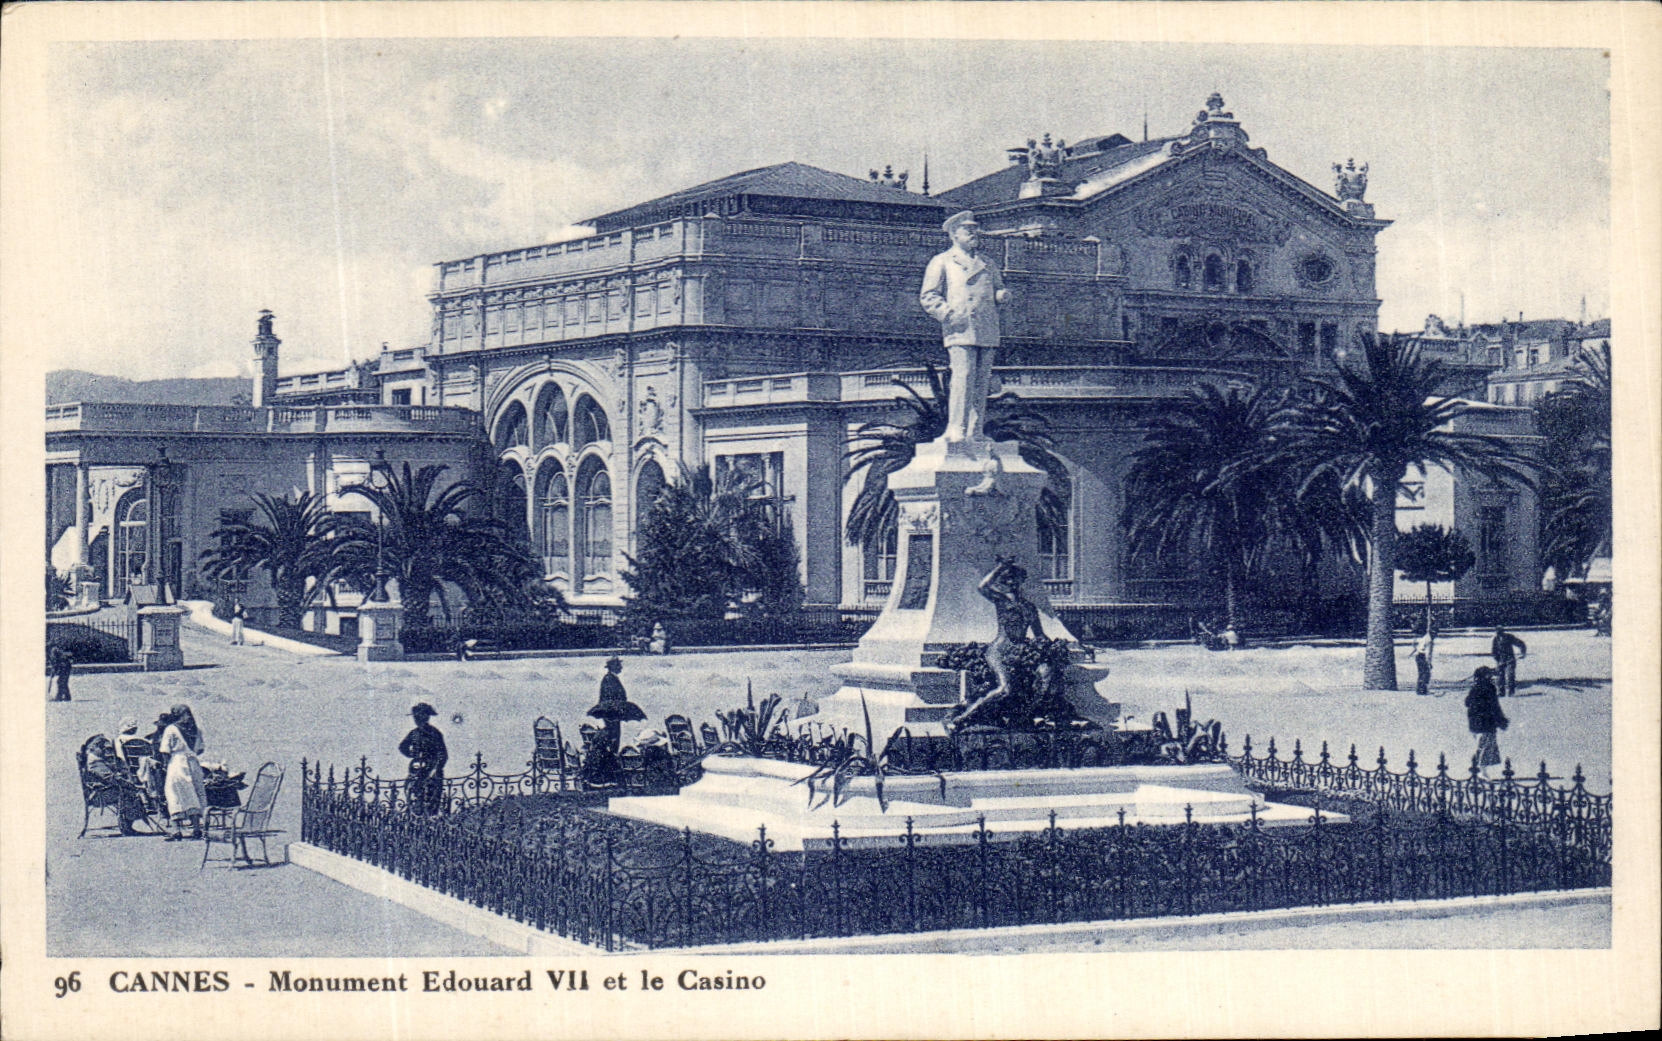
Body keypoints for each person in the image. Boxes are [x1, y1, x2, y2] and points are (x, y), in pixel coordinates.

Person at [919, 210, 1009, 443]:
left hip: (987, 327)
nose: (973, 234)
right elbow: (929, 296)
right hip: (960, 327)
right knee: (963, 376)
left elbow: (998, 286)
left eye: (974, 229)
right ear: (954, 234)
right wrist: (948, 314)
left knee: (982, 380)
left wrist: (1001, 294)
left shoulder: (987, 263)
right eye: (967, 230)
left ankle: (975, 430)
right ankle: (955, 428)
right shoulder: (942, 261)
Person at [79, 735, 153, 836]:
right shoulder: (94, 761)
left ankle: (129, 824)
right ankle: (127, 827)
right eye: (102, 748)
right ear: (95, 748)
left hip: (101, 791)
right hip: (98, 795)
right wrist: (128, 784)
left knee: (129, 791)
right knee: (129, 792)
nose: (105, 751)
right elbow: (110, 778)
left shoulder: (95, 760)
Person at [157, 704, 207, 840]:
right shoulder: (197, 730)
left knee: (173, 794)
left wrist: (166, 765)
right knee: (194, 793)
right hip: (194, 764)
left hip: (177, 763)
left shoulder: (171, 729)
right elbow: (201, 749)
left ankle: (176, 831)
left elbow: (165, 750)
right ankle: (197, 829)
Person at [399, 702, 449, 815]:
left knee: (431, 800)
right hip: (416, 770)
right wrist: (412, 754)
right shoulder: (414, 733)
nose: (417, 719)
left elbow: (443, 754)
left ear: (426, 717)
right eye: (415, 717)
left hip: (433, 770)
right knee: (413, 796)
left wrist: (436, 768)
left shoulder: (435, 733)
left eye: (419, 716)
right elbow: (402, 747)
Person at [1465, 666, 1508, 778]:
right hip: (1486, 722)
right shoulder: (1489, 688)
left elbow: (1467, 702)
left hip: (1475, 722)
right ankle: (1481, 770)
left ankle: (1480, 769)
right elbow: (1494, 706)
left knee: (1482, 746)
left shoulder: (1475, 688)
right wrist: (1501, 720)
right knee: (1486, 746)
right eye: (1489, 675)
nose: (1491, 677)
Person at [1490, 626, 1528, 698]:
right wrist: (1497, 658)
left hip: (1510, 660)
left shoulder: (1509, 637)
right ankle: (1501, 692)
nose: (1498, 633)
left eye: (1500, 631)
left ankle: (1511, 692)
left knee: (1510, 675)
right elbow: (1493, 650)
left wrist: (1523, 652)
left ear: (1503, 631)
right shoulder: (1495, 639)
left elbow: (1521, 644)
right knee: (1500, 677)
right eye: (1497, 632)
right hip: (1500, 660)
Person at [1413, 628, 1435, 696]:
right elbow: (1428, 652)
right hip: (1422, 655)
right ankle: (1422, 689)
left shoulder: (1425, 637)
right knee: (1425, 673)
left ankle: (1420, 689)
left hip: (1418, 655)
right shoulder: (1429, 639)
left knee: (1421, 673)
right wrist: (1429, 662)